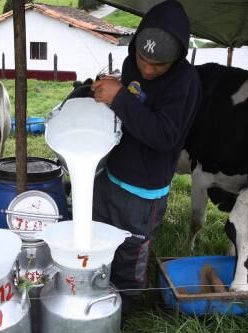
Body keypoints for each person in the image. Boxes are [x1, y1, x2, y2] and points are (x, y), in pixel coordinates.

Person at [90, 0, 202, 315]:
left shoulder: (185, 84)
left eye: (159, 65)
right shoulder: (131, 66)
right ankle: (94, 293)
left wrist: (121, 98)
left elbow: (163, 136)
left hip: (144, 191)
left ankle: (124, 309)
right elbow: (128, 102)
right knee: (97, 235)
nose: (148, 69)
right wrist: (106, 92)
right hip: (112, 174)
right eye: (142, 59)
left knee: (130, 250)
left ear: (177, 58)